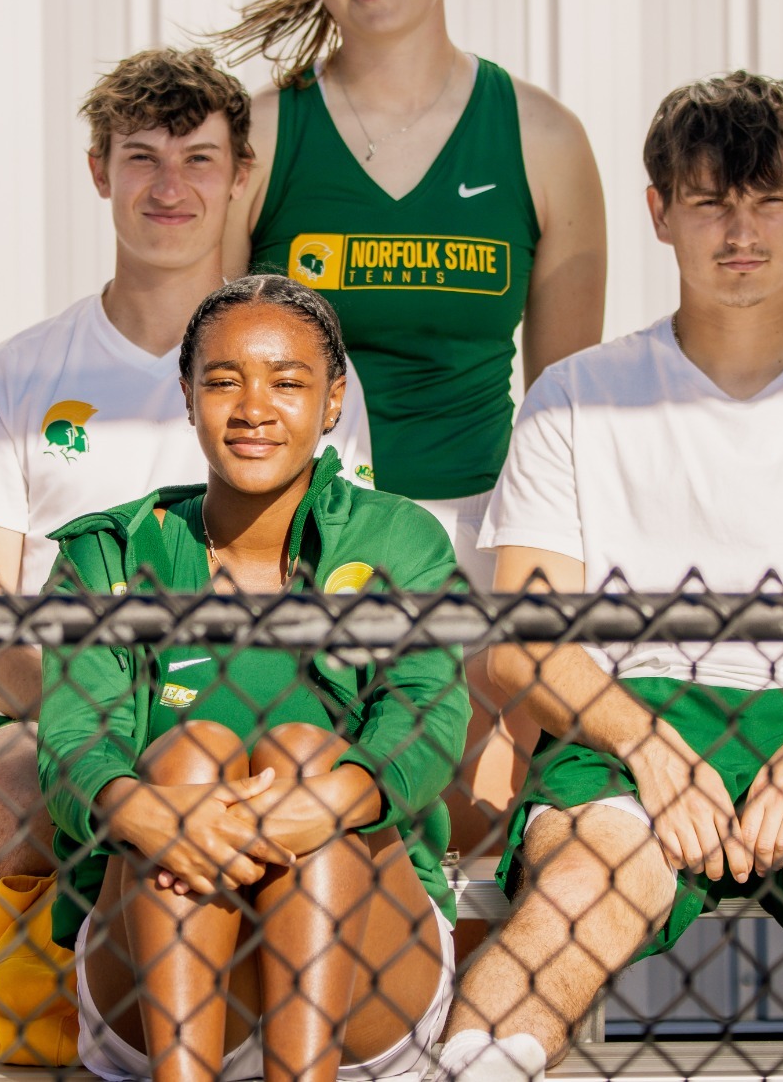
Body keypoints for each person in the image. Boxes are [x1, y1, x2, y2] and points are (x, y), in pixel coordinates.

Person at [439, 72, 783, 1082]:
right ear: (658, 212)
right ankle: (477, 1065)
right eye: (708, 202)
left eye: (768, 199)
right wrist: (647, 745)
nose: (740, 232)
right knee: (579, 892)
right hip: (631, 711)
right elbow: (525, 644)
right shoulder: (578, 396)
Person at [212, 0, 608, 856]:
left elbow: (566, 411)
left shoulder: (540, 137)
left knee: (464, 827)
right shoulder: (264, 133)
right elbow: (200, 357)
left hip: (478, 535)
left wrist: (525, 631)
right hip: (305, 533)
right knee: (297, 803)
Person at [0, 48, 373, 955]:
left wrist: (202, 709)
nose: (170, 187)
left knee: (300, 769)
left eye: (198, 159)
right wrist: (97, 720)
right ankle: (23, 1020)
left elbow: (340, 581)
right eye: (142, 158)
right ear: (100, 171)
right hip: (55, 707)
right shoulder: (18, 373)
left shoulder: (305, 375)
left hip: (258, 700)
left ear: (240, 175)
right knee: (12, 772)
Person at [38, 275, 468, 1082]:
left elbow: (428, 716)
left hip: (364, 971)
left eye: (288, 382)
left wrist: (324, 803)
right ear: (188, 395)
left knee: (306, 754)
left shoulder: (399, 540)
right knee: (190, 754)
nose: (253, 408)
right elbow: (72, 741)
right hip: (154, 973)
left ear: (333, 401)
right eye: (224, 381)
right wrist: (154, 814)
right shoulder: (112, 552)